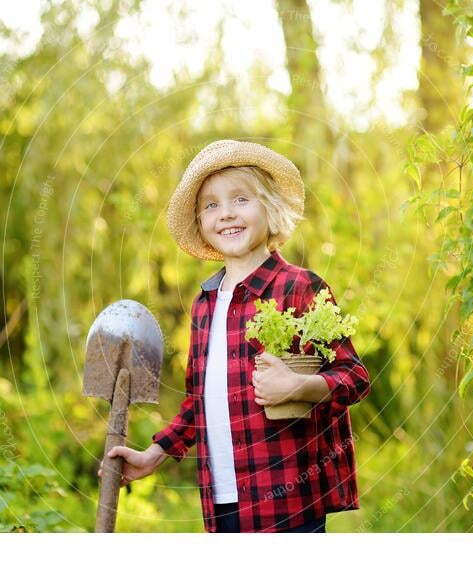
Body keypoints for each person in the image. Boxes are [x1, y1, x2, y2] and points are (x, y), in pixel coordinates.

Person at [100, 139, 371, 533]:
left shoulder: (299, 288)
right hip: (221, 503)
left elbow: (354, 377)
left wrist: (300, 385)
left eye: (240, 199)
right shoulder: (204, 304)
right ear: (201, 223)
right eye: (210, 205)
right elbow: (199, 402)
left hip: (289, 503)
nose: (225, 214)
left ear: (269, 207)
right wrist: (154, 455)